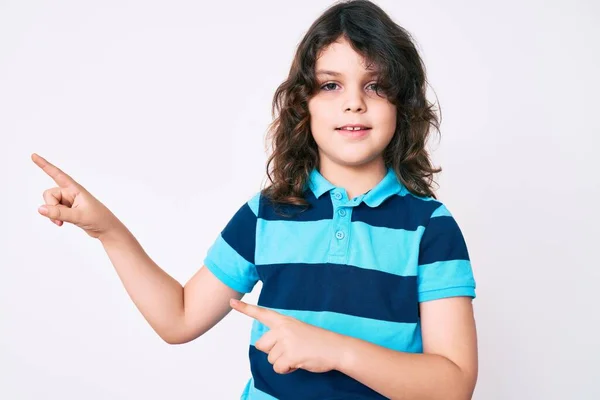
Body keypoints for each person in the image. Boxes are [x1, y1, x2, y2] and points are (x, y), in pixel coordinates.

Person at [32, 0, 478, 398]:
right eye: (331, 85)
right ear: (303, 104)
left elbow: (453, 385)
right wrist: (108, 231)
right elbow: (180, 318)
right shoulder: (267, 214)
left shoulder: (431, 228)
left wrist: (335, 350)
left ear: (403, 105)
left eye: (376, 85)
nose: (354, 104)